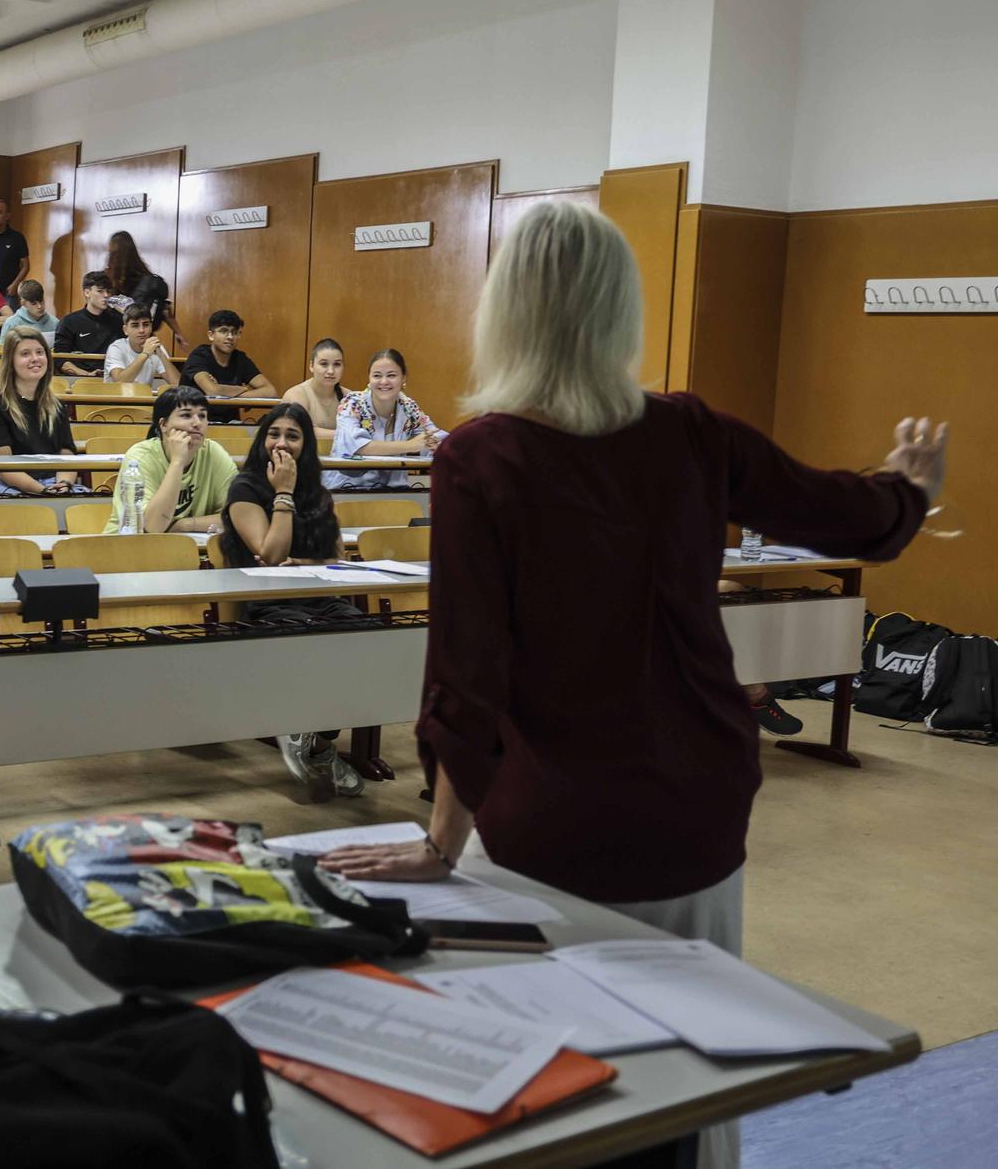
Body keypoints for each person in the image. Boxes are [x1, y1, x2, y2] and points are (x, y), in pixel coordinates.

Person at [317, 203, 947, 1169]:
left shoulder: (481, 457)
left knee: (549, 1091)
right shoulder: (690, 433)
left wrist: (440, 843)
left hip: (554, 822)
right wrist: (908, 487)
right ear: (620, 311)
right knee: (693, 1074)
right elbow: (846, 513)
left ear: (507, 309)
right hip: (697, 810)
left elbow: (469, 672)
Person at [219, 403, 365, 798]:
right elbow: (268, 554)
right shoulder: (245, 487)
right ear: (262, 439)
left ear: (306, 444)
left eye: (293, 435)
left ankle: (312, 735)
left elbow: (337, 555)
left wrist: (301, 560)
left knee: (363, 632)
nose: (281, 443)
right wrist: (282, 491)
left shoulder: (317, 490)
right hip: (268, 599)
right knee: (307, 636)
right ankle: (310, 738)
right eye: (274, 434)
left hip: (316, 593)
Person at [104, 385, 236, 534]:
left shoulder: (214, 453)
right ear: (164, 425)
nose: (197, 423)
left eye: (202, 416)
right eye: (186, 415)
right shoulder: (140, 457)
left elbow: (237, 516)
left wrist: (184, 526)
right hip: (129, 549)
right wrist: (177, 461)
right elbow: (153, 528)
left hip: (189, 548)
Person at [0, 328, 83, 495]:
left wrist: (64, 484)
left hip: (51, 480)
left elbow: (66, 453)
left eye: (40, 352)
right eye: (25, 354)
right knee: (26, 505)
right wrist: (42, 491)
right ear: (11, 361)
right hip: (4, 482)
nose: (35, 359)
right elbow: (3, 466)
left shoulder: (56, 405)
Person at [324, 348, 447, 489]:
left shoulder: (408, 407)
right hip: (347, 488)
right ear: (369, 378)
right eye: (377, 375)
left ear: (403, 378)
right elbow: (357, 446)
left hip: (395, 491)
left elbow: (435, 435)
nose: (384, 381)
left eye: (391, 375)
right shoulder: (352, 403)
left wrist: (435, 443)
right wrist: (411, 445)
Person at [182, 309, 277, 422]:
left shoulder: (240, 358)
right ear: (211, 335)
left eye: (234, 332)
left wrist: (236, 396)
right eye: (224, 331)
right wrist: (242, 389)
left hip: (231, 425)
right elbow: (212, 391)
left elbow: (271, 392)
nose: (230, 337)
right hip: (195, 421)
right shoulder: (199, 356)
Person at [102, 229, 182, 348]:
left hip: (114, 338)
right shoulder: (147, 278)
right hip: (145, 339)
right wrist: (178, 332)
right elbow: (165, 310)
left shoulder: (109, 278)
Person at [53, 272, 123, 376]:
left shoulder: (119, 319)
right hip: (80, 379)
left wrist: (127, 314)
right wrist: (86, 374)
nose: (106, 295)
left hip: (114, 377)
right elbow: (60, 359)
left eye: (108, 291)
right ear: (87, 293)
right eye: (100, 291)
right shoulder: (69, 322)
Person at [284, 338, 350, 444]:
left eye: (337, 364)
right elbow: (302, 431)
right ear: (311, 366)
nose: (331, 371)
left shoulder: (350, 397)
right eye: (324, 364)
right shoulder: (296, 394)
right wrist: (348, 434)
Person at [102, 307, 179, 389]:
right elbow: (120, 382)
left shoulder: (155, 346)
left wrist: (161, 354)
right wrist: (145, 353)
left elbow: (177, 384)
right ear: (125, 330)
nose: (141, 330)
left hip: (143, 399)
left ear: (151, 328)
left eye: (146, 325)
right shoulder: (116, 348)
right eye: (135, 325)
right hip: (115, 399)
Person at [0, 278, 58, 342]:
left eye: (41, 301)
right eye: (34, 303)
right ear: (23, 303)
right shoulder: (12, 323)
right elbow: (3, 350)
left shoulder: (55, 322)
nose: (39, 306)